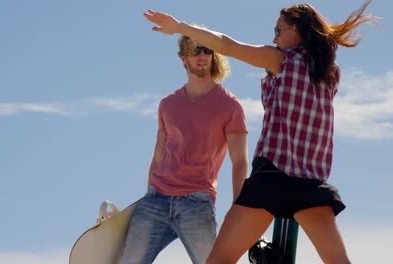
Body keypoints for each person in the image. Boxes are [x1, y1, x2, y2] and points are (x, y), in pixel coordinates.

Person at [143, 1, 378, 263]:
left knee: (219, 261)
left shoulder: (282, 60)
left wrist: (180, 27)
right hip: (310, 184)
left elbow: (228, 46)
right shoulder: (330, 73)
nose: (274, 37)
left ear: (297, 32)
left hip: (271, 180)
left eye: (278, 30)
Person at [119, 31, 248, 264]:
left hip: (196, 203)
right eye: (195, 51)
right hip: (156, 200)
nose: (202, 56)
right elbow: (158, 154)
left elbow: (239, 161)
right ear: (183, 59)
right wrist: (149, 192)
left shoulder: (230, 106)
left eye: (207, 50)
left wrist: (238, 207)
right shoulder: (168, 104)